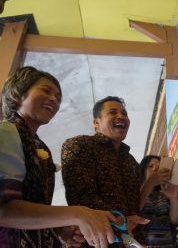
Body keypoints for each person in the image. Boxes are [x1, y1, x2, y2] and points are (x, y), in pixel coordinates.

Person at [0, 66, 117, 248]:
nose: (54, 99)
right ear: (17, 94)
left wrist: (59, 229)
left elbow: (34, 205)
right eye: (45, 90)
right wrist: (79, 213)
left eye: (58, 97)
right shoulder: (6, 132)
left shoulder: (39, 145)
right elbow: (4, 211)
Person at [61, 96, 149, 248]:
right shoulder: (79, 145)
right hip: (99, 241)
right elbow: (81, 196)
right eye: (113, 112)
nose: (121, 116)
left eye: (124, 113)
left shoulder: (131, 161)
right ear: (96, 122)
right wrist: (119, 224)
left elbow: (136, 204)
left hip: (134, 241)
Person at [136, 155, 178, 247]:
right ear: (143, 171)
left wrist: (173, 198)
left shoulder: (165, 193)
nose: (155, 169)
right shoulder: (136, 192)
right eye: (151, 166)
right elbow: (134, 211)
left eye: (159, 167)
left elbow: (175, 221)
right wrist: (151, 181)